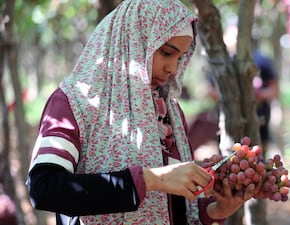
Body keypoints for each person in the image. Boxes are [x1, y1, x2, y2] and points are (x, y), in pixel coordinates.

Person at [25, 1, 260, 224]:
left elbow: (169, 209)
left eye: (180, 57)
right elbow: (44, 188)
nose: (172, 68)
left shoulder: (169, 112)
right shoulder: (76, 102)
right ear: (132, 41)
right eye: (167, 53)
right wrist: (151, 179)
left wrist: (217, 210)